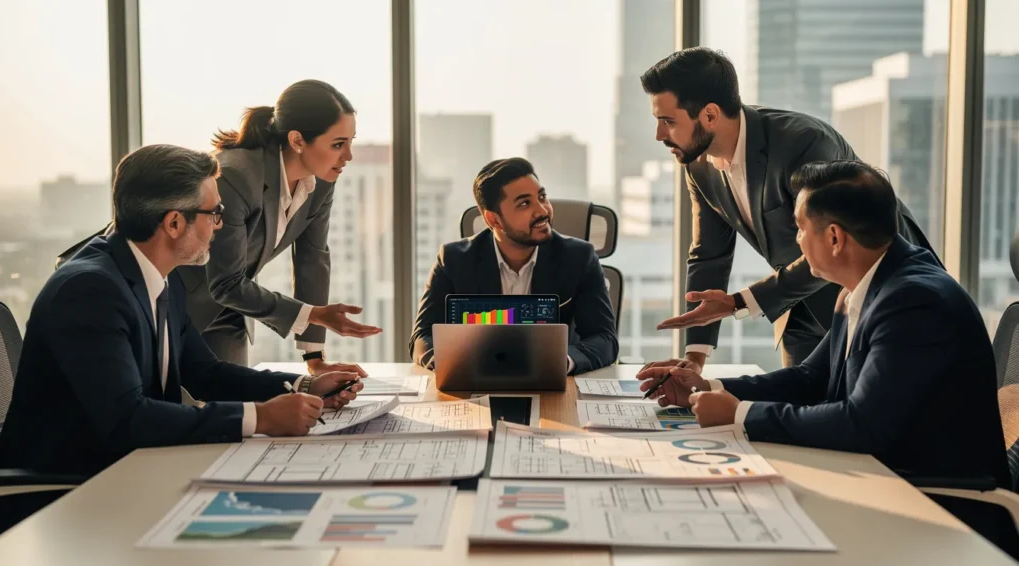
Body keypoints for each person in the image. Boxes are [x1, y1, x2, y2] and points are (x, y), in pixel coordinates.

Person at [0, 144, 364, 478]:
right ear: (174, 223)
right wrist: (262, 417)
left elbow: (205, 373)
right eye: (214, 213)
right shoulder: (90, 291)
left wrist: (304, 385)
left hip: (127, 472)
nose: (219, 225)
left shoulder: (157, 278)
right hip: (64, 491)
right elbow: (129, 419)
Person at [637, 160, 1007, 488]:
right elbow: (810, 380)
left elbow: (863, 425)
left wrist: (738, 414)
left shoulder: (915, 302)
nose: (797, 241)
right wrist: (708, 386)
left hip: (941, 500)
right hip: (884, 477)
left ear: (834, 238)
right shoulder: (864, 287)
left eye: (800, 228)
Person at [640, 47, 935, 369]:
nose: (659, 135)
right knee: (794, 402)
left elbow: (834, 242)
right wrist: (694, 358)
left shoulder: (803, 142)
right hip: (797, 305)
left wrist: (741, 302)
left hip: (880, 296)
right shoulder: (698, 163)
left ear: (710, 115)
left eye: (667, 121)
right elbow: (709, 254)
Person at [178, 79, 381, 372]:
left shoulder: (322, 179)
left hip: (231, 308)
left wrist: (315, 360)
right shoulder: (234, 177)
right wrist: (314, 314)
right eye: (338, 144)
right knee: (181, 412)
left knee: (233, 407)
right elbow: (225, 282)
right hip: (173, 301)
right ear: (297, 140)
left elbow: (312, 259)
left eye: (351, 142)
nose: (348, 156)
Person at [410, 157, 618, 374]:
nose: (542, 211)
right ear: (493, 220)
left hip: (555, 384)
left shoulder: (578, 258)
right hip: (476, 386)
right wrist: (454, 363)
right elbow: (422, 337)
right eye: (525, 203)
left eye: (542, 197)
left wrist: (562, 361)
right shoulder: (453, 260)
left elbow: (605, 339)